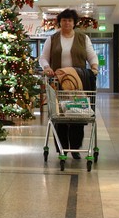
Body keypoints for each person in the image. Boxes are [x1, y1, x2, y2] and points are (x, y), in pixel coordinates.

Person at [40, 8, 99, 159]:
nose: (67, 23)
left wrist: (94, 67)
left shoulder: (83, 38)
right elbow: (43, 57)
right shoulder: (52, 39)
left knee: (77, 114)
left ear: (74, 23)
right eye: (64, 20)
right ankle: (62, 148)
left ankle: (75, 148)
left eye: (70, 20)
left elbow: (91, 55)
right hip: (58, 82)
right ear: (60, 22)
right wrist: (46, 67)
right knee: (59, 116)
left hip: (78, 83)